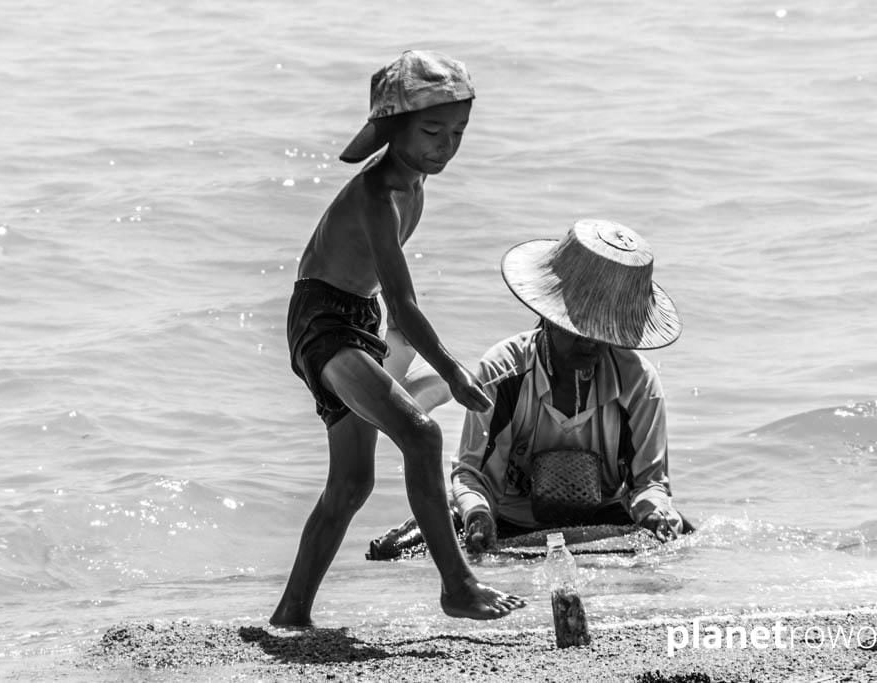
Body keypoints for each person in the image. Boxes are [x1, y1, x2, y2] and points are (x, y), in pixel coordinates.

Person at [272, 50, 525, 628]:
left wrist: (395, 347)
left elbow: (386, 300)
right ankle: (457, 585)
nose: (445, 146)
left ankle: (291, 612)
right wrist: (453, 371)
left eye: (457, 132)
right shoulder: (379, 194)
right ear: (393, 129)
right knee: (421, 432)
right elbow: (405, 301)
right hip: (323, 323)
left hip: (358, 319)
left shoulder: (415, 186)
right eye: (432, 130)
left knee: (353, 482)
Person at [451, 219, 693, 553]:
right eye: (578, 328)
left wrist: (654, 513)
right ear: (549, 317)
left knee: (677, 545)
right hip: (509, 523)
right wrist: (477, 514)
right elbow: (472, 474)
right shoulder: (503, 373)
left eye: (602, 333)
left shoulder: (638, 383)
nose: (590, 343)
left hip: (603, 523)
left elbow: (648, 483)